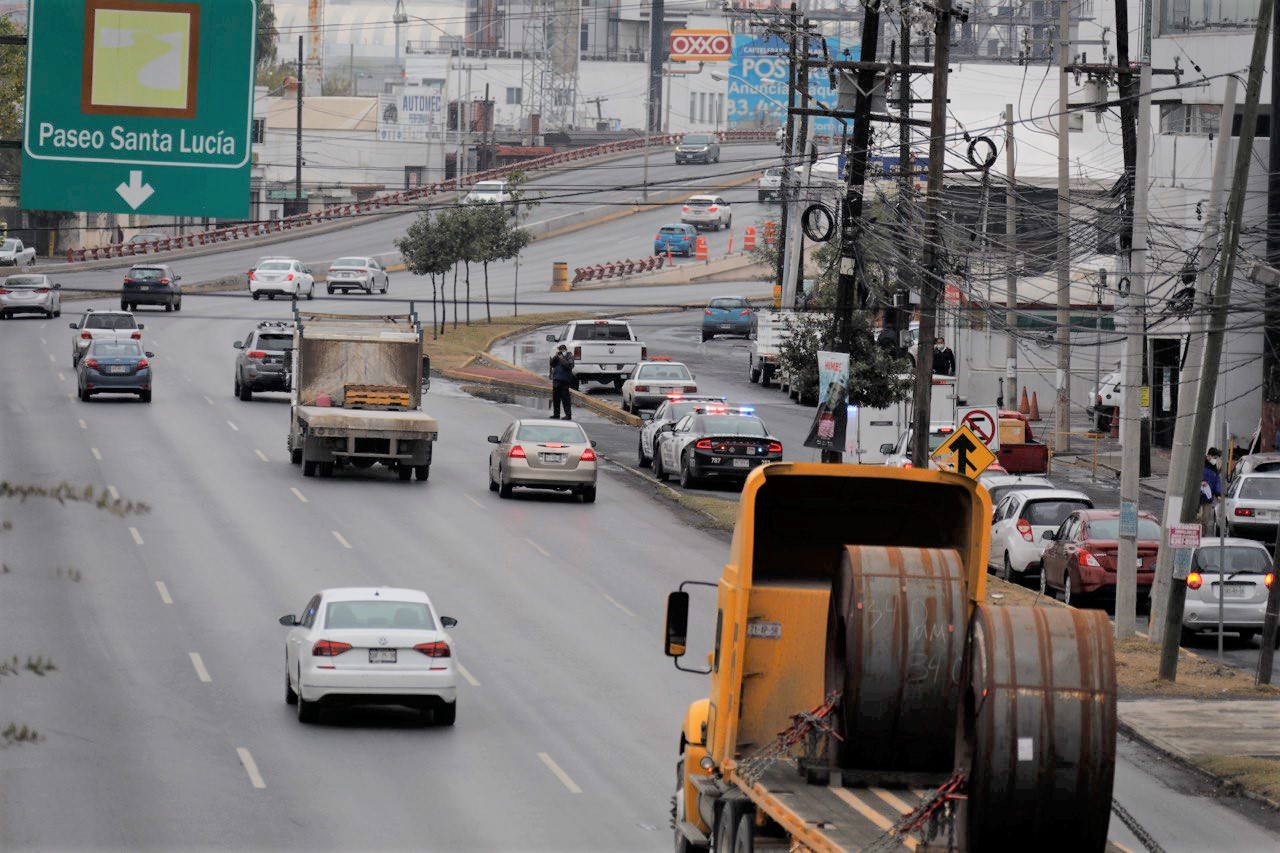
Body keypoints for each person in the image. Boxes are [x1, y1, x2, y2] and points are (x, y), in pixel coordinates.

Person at [1200, 447, 1223, 534]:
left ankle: (1202, 539)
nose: (1215, 460)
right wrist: (1201, 483)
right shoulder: (1201, 463)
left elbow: (1217, 481)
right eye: (1214, 457)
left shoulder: (1215, 468)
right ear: (1209, 456)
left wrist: (1218, 494)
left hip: (1208, 498)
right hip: (1198, 497)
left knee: (1205, 520)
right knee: (1198, 518)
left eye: (1216, 458)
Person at [549, 344, 575, 420]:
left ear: (565, 350)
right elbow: (552, 364)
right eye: (559, 350)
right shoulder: (558, 357)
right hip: (556, 380)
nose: (561, 352)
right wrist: (556, 357)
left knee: (565, 399)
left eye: (562, 350)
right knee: (556, 399)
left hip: (564, 381)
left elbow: (569, 366)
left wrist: (561, 358)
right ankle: (556, 414)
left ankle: (568, 415)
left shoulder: (569, 356)